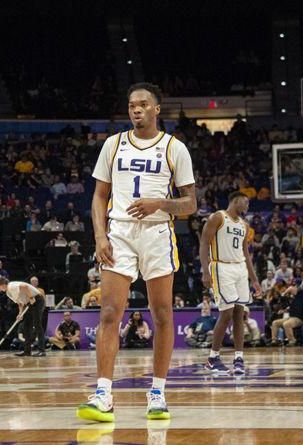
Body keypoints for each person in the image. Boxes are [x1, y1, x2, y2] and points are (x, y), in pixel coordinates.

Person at [77, 82, 196, 422]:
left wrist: (161, 203)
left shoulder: (176, 149)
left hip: (158, 232)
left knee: (162, 315)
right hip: (120, 234)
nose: (136, 109)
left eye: (143, 104)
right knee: (110, 312)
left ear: (157, 109)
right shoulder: (113, 145)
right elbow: (100, 196)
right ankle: (103, 394)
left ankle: (157, 392)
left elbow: (191, 203)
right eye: (132, 105)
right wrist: (100, 236)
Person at [199, 192, 260, 374]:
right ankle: (213, 358)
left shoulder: (244, 225)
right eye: (246, 202)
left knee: (239, 313)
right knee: (226, 313)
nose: (247, 207)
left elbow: (246, 253)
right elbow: (204, 243)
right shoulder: (218, 217)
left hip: (240, 268)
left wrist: (254, 278)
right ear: (235, 200)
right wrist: (205, 271)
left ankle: (239, 358)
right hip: (221, 267)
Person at [0, 276, 46, 357]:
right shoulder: (8, 293)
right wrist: (20, 313)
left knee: (37, 324)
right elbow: (20, 303)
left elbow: (24, 286)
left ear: (3, 284)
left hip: (37, 300)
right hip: (28, 303)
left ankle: (42, 351)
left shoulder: (11, 286)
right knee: (26, 326)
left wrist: (31, 297)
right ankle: (27, 351)